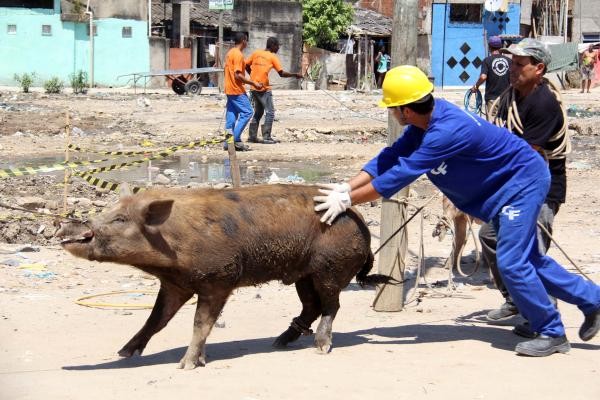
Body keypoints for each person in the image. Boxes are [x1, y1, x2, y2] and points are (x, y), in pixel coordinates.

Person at [313, 65, 600, 357]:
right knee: (530, 260)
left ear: (405, 111)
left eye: (392, 108)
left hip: (521, 185)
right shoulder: (424, 123)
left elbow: (398, 176)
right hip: (505, 187)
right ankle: (593, 300)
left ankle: (551, 331)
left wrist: (349, 202)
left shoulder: (445, 132)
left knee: (513, 262)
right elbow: (389, 157)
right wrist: (345, 189)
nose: (392, 114)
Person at [482, 39, 571, 338]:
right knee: (491, 236)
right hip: (515, 187)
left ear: (539, 68)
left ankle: (546, 321)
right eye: (512, 63)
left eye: (520, 65)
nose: (512, 69)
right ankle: (517, 300)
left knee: (532, 251)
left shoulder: (543, 102)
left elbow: (524, 155)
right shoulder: (511, 96)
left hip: (540, 188)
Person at [245, 37, 302, 144]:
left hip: (253, 88)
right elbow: (281, 73)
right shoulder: (272, 57)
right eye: (277, 46)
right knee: (270, 112)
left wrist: (252, 78)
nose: (278, 48)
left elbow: (246, 65)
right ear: (272, 45)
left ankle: (252, 137)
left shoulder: (256, 53)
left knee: (258, 112)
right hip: (264, 89)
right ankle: (266, 137)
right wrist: (295, 75)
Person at [223, 32, 263, 152]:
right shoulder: (238, 55)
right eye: (247, 41)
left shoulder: (230, 53)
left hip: (229, 89)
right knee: (247, 112)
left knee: (231, 115)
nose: (247, 43)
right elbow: (238, 75)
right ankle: (235, 140)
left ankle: (227, 143)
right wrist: (253, 83)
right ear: (244, 40)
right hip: (236, 90)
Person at [471, 36, 511, 118]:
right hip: (506, 98)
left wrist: (476, 86)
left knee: (492, 123)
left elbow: (483, 77)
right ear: (501, 47)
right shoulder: (509, 61)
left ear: (489, 47)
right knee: (505, 121)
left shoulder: (487, 60)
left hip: (492, 98)